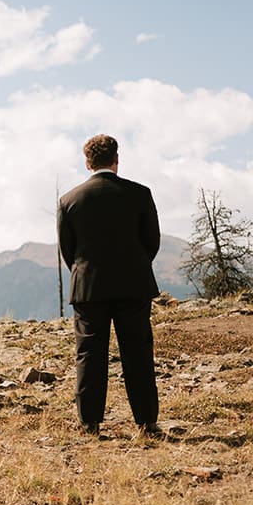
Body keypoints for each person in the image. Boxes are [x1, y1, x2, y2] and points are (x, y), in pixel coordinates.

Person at [57, 134, 162, 437]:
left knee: (89, 353)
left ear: (87, 162)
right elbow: (151, 243)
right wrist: (135, 266)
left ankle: (90, 422)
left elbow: (69, 249)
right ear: (117, 159)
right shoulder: (140, 194)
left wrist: (85, 272)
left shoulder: (70, 200)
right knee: (138, 353)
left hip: (89, 288)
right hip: (134, 284)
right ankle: (146, 421)